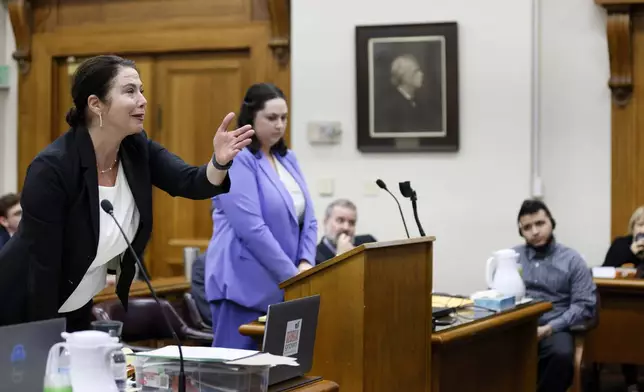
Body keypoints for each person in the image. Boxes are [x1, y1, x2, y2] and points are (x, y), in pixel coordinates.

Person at [0, 55, 254, 331]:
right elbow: (43, 271)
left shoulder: (136, 149)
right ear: (96, 104)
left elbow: (190, 181)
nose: (143, 100)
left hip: (75, 302)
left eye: (141, 90)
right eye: (130, 91)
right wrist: (43, 344)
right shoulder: (52, 169)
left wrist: (219, 161)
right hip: (21, 307)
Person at [205, 83, 318, 349]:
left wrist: (305, 261)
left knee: (278, 376)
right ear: (251, 118)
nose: (279, 125)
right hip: (242, 285)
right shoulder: (237, 158)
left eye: (284, 118)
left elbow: (309, 219)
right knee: (235, 378)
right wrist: (294, 278)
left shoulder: (288, 158)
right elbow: (251, 228)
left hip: (283, 283)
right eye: (271, 118)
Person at [513, 199, 596, 392]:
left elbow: (583, 305)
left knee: (562, 355)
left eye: (540, 224)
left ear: (551, 222)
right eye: (527, 227)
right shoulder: (512, 257)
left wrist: (549, 328)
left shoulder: (572, 260)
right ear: (521, 232)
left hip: (556, 326)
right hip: (518, 326)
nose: (534, 232)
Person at [602, 205, 644, 391]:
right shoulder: (621, 244)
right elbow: (604, 271)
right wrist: (631, 253)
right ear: (633, 227)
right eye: (641, 225)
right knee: (625, 327)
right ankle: (631, 382)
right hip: (622, 306)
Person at [316, 198, 376, 263]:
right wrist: (341, 257)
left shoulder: (368, 243)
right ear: (325, 221)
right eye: (340, 220)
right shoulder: (314, 258)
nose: (346, 228)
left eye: (351, 223)